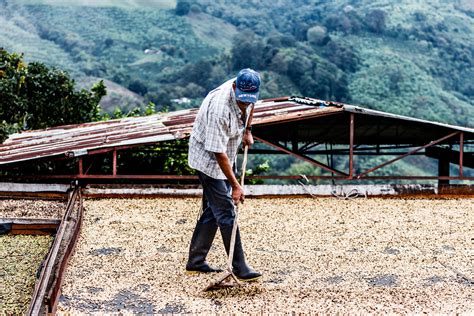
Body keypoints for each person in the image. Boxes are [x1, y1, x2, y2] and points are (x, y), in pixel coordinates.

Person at [185, 68, 262, 281]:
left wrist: (248, 130)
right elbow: (218, 154)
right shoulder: (219, 109)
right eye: (242, 100)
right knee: (226, 210)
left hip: (227, 151)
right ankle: (239, 267)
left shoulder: (247, 89)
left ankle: (196, 262)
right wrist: (236, 186)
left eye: (249, 100)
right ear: (234, 88)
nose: (245, 103)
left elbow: (252, 105)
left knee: (214, 208)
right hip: (208, 160)